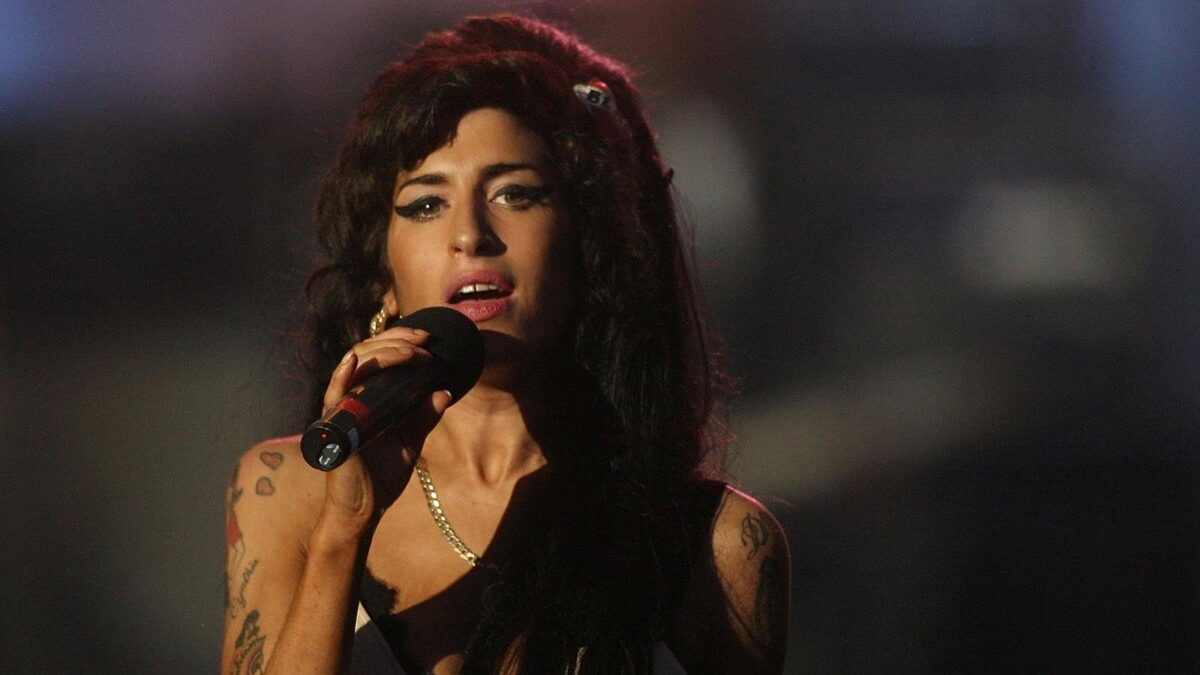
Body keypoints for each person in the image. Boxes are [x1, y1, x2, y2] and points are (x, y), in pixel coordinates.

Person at [221, 14, 789, 675]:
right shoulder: (285, 491)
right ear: (383, 278)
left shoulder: (720, 547)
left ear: (587, 244)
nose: (470, 234)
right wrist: (342, 536)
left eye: (514, 194)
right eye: (426, 204)